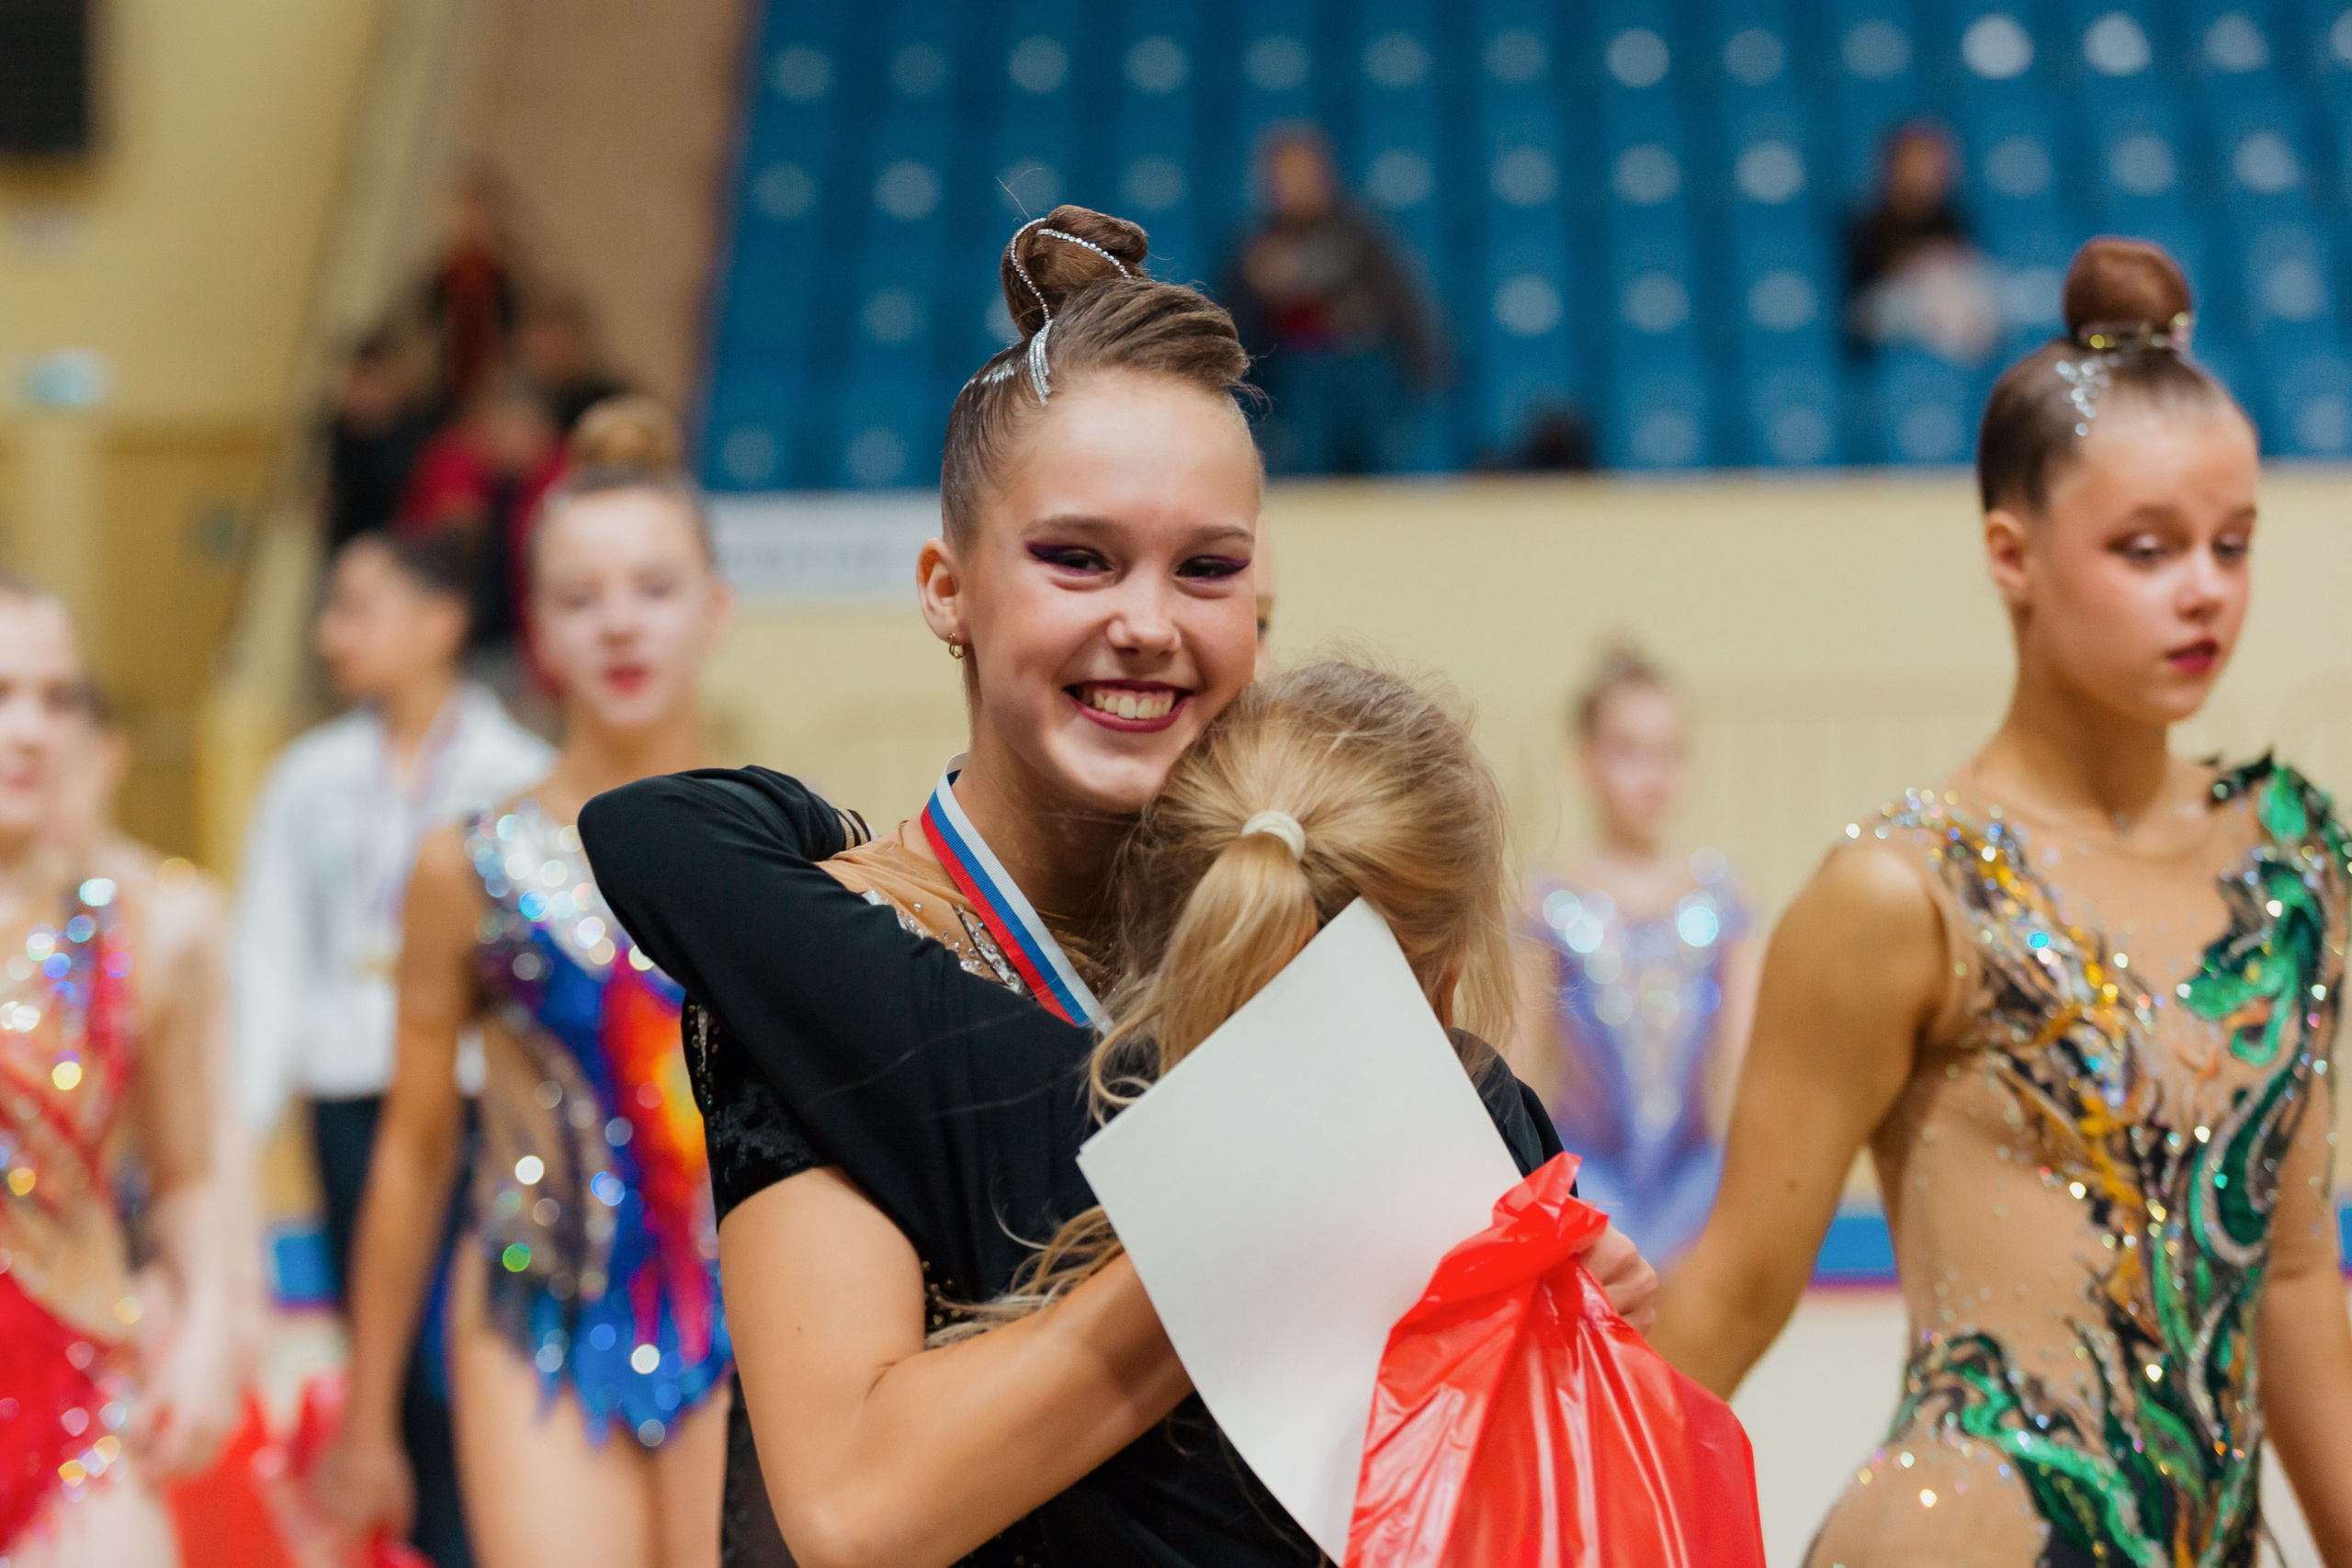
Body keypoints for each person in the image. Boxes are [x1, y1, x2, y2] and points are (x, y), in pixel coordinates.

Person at [582, 204, 1652, 1568]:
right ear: (946, 588)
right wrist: (1258, 1221)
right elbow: (859, 1503)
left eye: (1205, 567)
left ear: (1259, 606)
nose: (1145, 621)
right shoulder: (834, 940)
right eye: (1077, 557)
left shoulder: (1308, 920)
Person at [1651, 237, 2352, 1564]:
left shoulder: (2286, 861)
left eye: (2234, 543)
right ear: (2011, 553)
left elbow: (2300, 1273)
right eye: (2146, 548)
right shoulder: (1901, 893)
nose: (2203, 586)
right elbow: (1740, 1285)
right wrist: (1528, 1509)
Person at [322, 399, 734, 1568]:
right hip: (531, 1308)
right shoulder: (466, 865)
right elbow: (410, 1152)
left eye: (653, 588)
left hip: (747, 1310)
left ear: (715, 609)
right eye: (577, 596)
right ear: (537, 630)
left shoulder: (797, 858)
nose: (618, 625)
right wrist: (366, 1417)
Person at [234, 530, 553, 1568]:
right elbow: (269, 962)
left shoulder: (522, 775)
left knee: (471, 1344)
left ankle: (485, 1533)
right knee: (381, 1355)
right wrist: (236, 1138)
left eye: (355, 610)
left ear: (440, 622)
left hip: (476, 1098)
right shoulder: (304, 779)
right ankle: (411, 1543)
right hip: (346, 1094)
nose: (331, 636)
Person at [0, 574, 253, 1565]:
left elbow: (190, 1170)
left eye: (58, 698)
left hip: (76, 1387)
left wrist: (207, 1327)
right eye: (0, 695)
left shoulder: (156, 929)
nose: (30, 730)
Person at [1508, 646, 1758, 1269]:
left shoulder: (1724, 899)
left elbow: (1747, 1063)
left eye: (1669, 752)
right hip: (1590, 1181)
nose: (1652, 774)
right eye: (1628, 751)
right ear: (1586, 760)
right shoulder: (1548, 902)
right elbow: (1519, 1063)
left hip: (1696, 1186)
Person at [1223, 127, 1446, 476]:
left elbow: (1403, 301)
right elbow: (1233, 318)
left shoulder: (1361, 230)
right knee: (1308, 476)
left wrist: (1423, 370)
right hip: (1298, 373)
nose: (1294, 186)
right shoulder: (1255, 244)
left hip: (1363, 367)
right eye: (1284, 176)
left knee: (1378, 476)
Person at [398, 374, 566, 704]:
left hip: (520, 648)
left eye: (506, 429)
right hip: (466, 637)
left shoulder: (557, 485)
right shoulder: (463, 465)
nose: (496, 440)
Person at [1844, 122, 2000, 365]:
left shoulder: (1951, 217)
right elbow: (1862, 291)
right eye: (1917, 161)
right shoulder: (1870, 220)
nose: (1926, 171)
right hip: (1886, 313)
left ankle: (1960, 374)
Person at [325, 329, 438, 551]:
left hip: (395, 553)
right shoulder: (340, 432)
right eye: (359, 379)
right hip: (346, 547)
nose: (364, 391)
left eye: (373, 381)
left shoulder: (416, 439)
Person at [516, 296, 629, 436]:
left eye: (558, 339)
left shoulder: (613, 402)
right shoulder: (520, 404)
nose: (549, 349)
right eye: (540, 338)